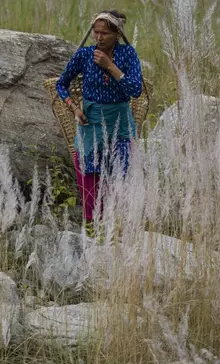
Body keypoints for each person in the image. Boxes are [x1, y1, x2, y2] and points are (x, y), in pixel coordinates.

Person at [56, 10, 143, 223]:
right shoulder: (84, 55)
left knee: (121, 177)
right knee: (90, 177)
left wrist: (110, 66)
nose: (99, 37)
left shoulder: (127, 54)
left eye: (105, 33)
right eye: (96, 32)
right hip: (92, 124)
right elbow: (61, 84)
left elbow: (136, 89)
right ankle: (93, 226)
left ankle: (119, 225)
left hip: (120, 125)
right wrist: (74, 108)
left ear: (118, 35)